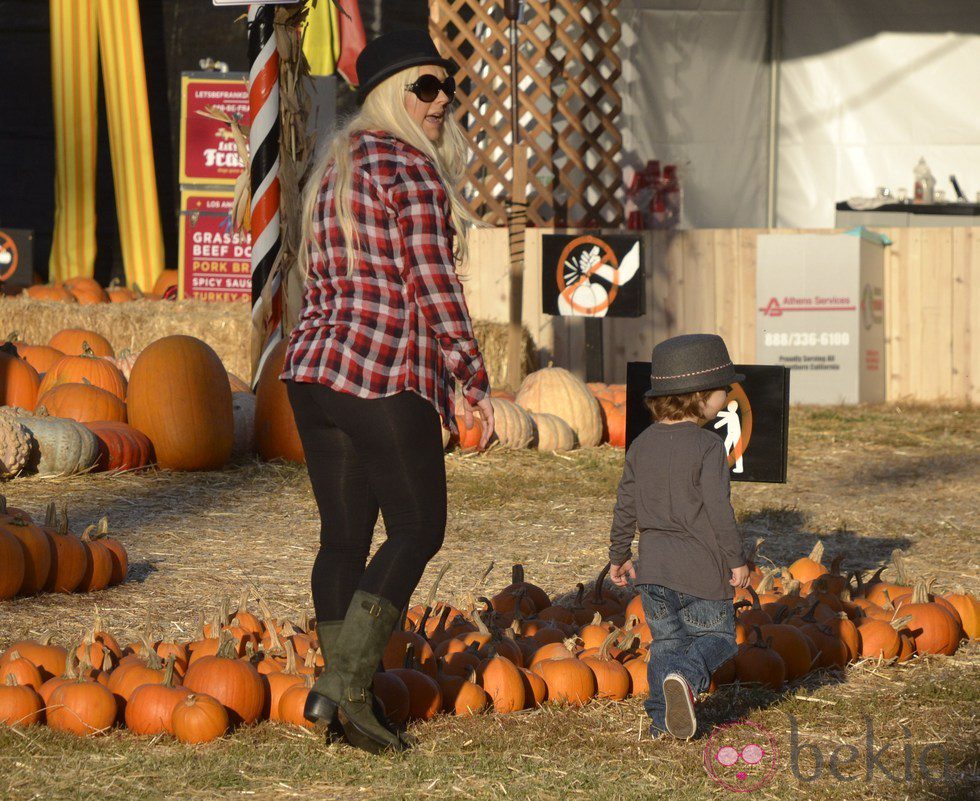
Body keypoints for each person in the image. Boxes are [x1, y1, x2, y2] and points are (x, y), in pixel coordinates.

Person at [280, 29, 495, 754]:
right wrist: (473, 377)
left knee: (342, 538)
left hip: (312, 371)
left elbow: (312, 276)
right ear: (387, 97)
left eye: (447, 88)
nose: (442, 102)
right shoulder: (408, 167)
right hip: (378, 371)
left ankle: (350, 706)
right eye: (425, 88)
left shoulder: (332, 165)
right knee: (417, 528)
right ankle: (342, 684)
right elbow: (433, 284)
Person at [608, 334, 749, 740]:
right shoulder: (708, 447)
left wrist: (619, 554)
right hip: (700, 570)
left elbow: (626, 504)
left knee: (667, 644)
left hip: (653, 573)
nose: (728, 393)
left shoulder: (639, 445)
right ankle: (686, 678)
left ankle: (660, 722)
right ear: (701, 396)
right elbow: (720, 511)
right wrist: (737, 559)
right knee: (718, 639)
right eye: (725, 388)